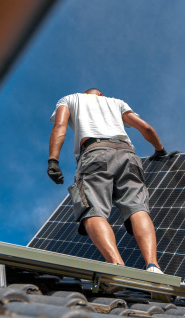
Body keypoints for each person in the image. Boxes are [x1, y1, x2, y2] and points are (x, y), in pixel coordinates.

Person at [47, 88, 168, 274]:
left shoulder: (70, 99)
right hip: (128, 154)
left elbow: (60, 126)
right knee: (137, 207)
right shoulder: (117, 102)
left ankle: (116, 265)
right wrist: (160, 150)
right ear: (101, 95)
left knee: (92, 208)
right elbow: (145, 127)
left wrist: (53, 160)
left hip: (95, 153)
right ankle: (153, 265)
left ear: (85, 94)